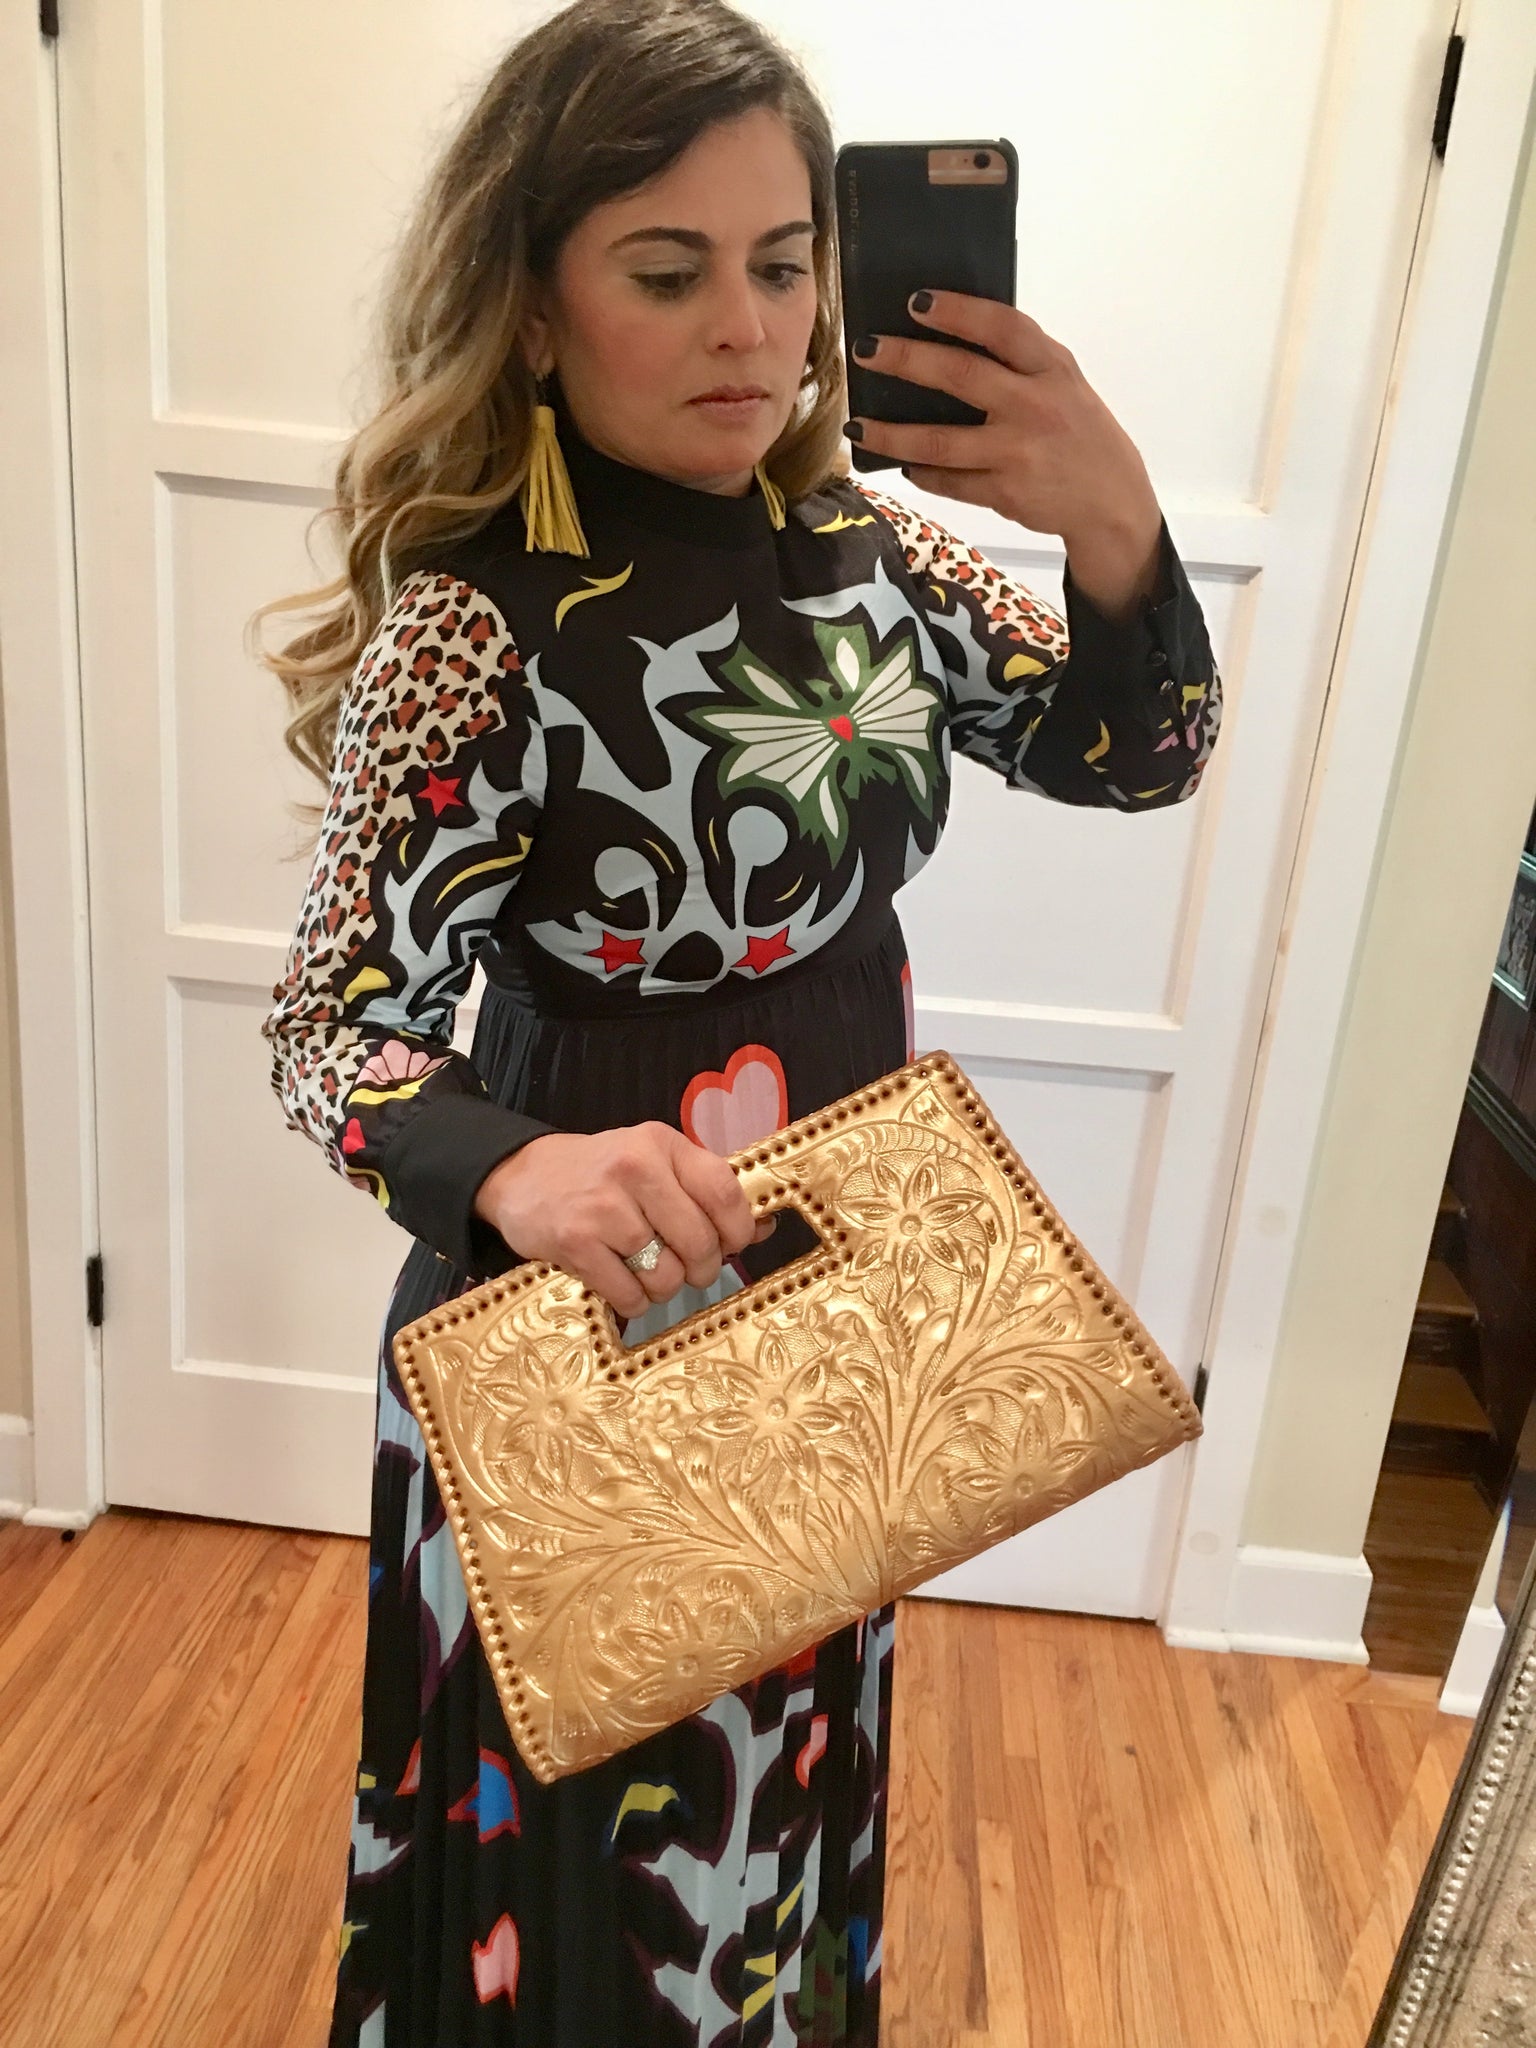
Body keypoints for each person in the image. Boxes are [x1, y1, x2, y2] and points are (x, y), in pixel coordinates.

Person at [257, 2, 1222, 2041]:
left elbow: (1132, 754)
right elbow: (332, 1030)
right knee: (594, 1825)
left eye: (786, 265)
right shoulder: (472, 629)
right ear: (534, 309)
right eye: (666, 270)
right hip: (583, 1321)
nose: (747, 328)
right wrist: (514, 1165)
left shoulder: (873, 553)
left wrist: (1115, 523)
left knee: (777, 1781)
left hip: (830, 1291)